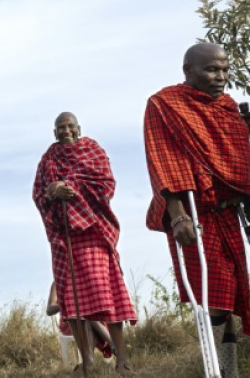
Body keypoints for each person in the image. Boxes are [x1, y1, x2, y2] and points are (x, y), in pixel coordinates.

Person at [144, 42, 250, 378]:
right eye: (211, 70)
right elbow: (164, 162)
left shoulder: (229, 108)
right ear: (188, 71)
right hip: (193, 214)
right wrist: (177, 216)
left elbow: (239, 162)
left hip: (228, 213)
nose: (220, 77)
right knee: (215, 293)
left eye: (224, 70)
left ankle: (229, 368)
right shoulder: (165, 105)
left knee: (233, 291)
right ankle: (219, 371)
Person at [33, 112, 136, 375]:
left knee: (109, 295)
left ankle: (122, 359)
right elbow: (39, 193)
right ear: (54, 132)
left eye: (70, 126)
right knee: (72, 302)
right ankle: (87, 361)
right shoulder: (48, 159)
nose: (66, 131)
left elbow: (106, 185)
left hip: (94, 232)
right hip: (65, 239)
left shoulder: (93, 150)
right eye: (60, 128)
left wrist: (71, 187)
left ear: (79, 128)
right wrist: (52, 192)